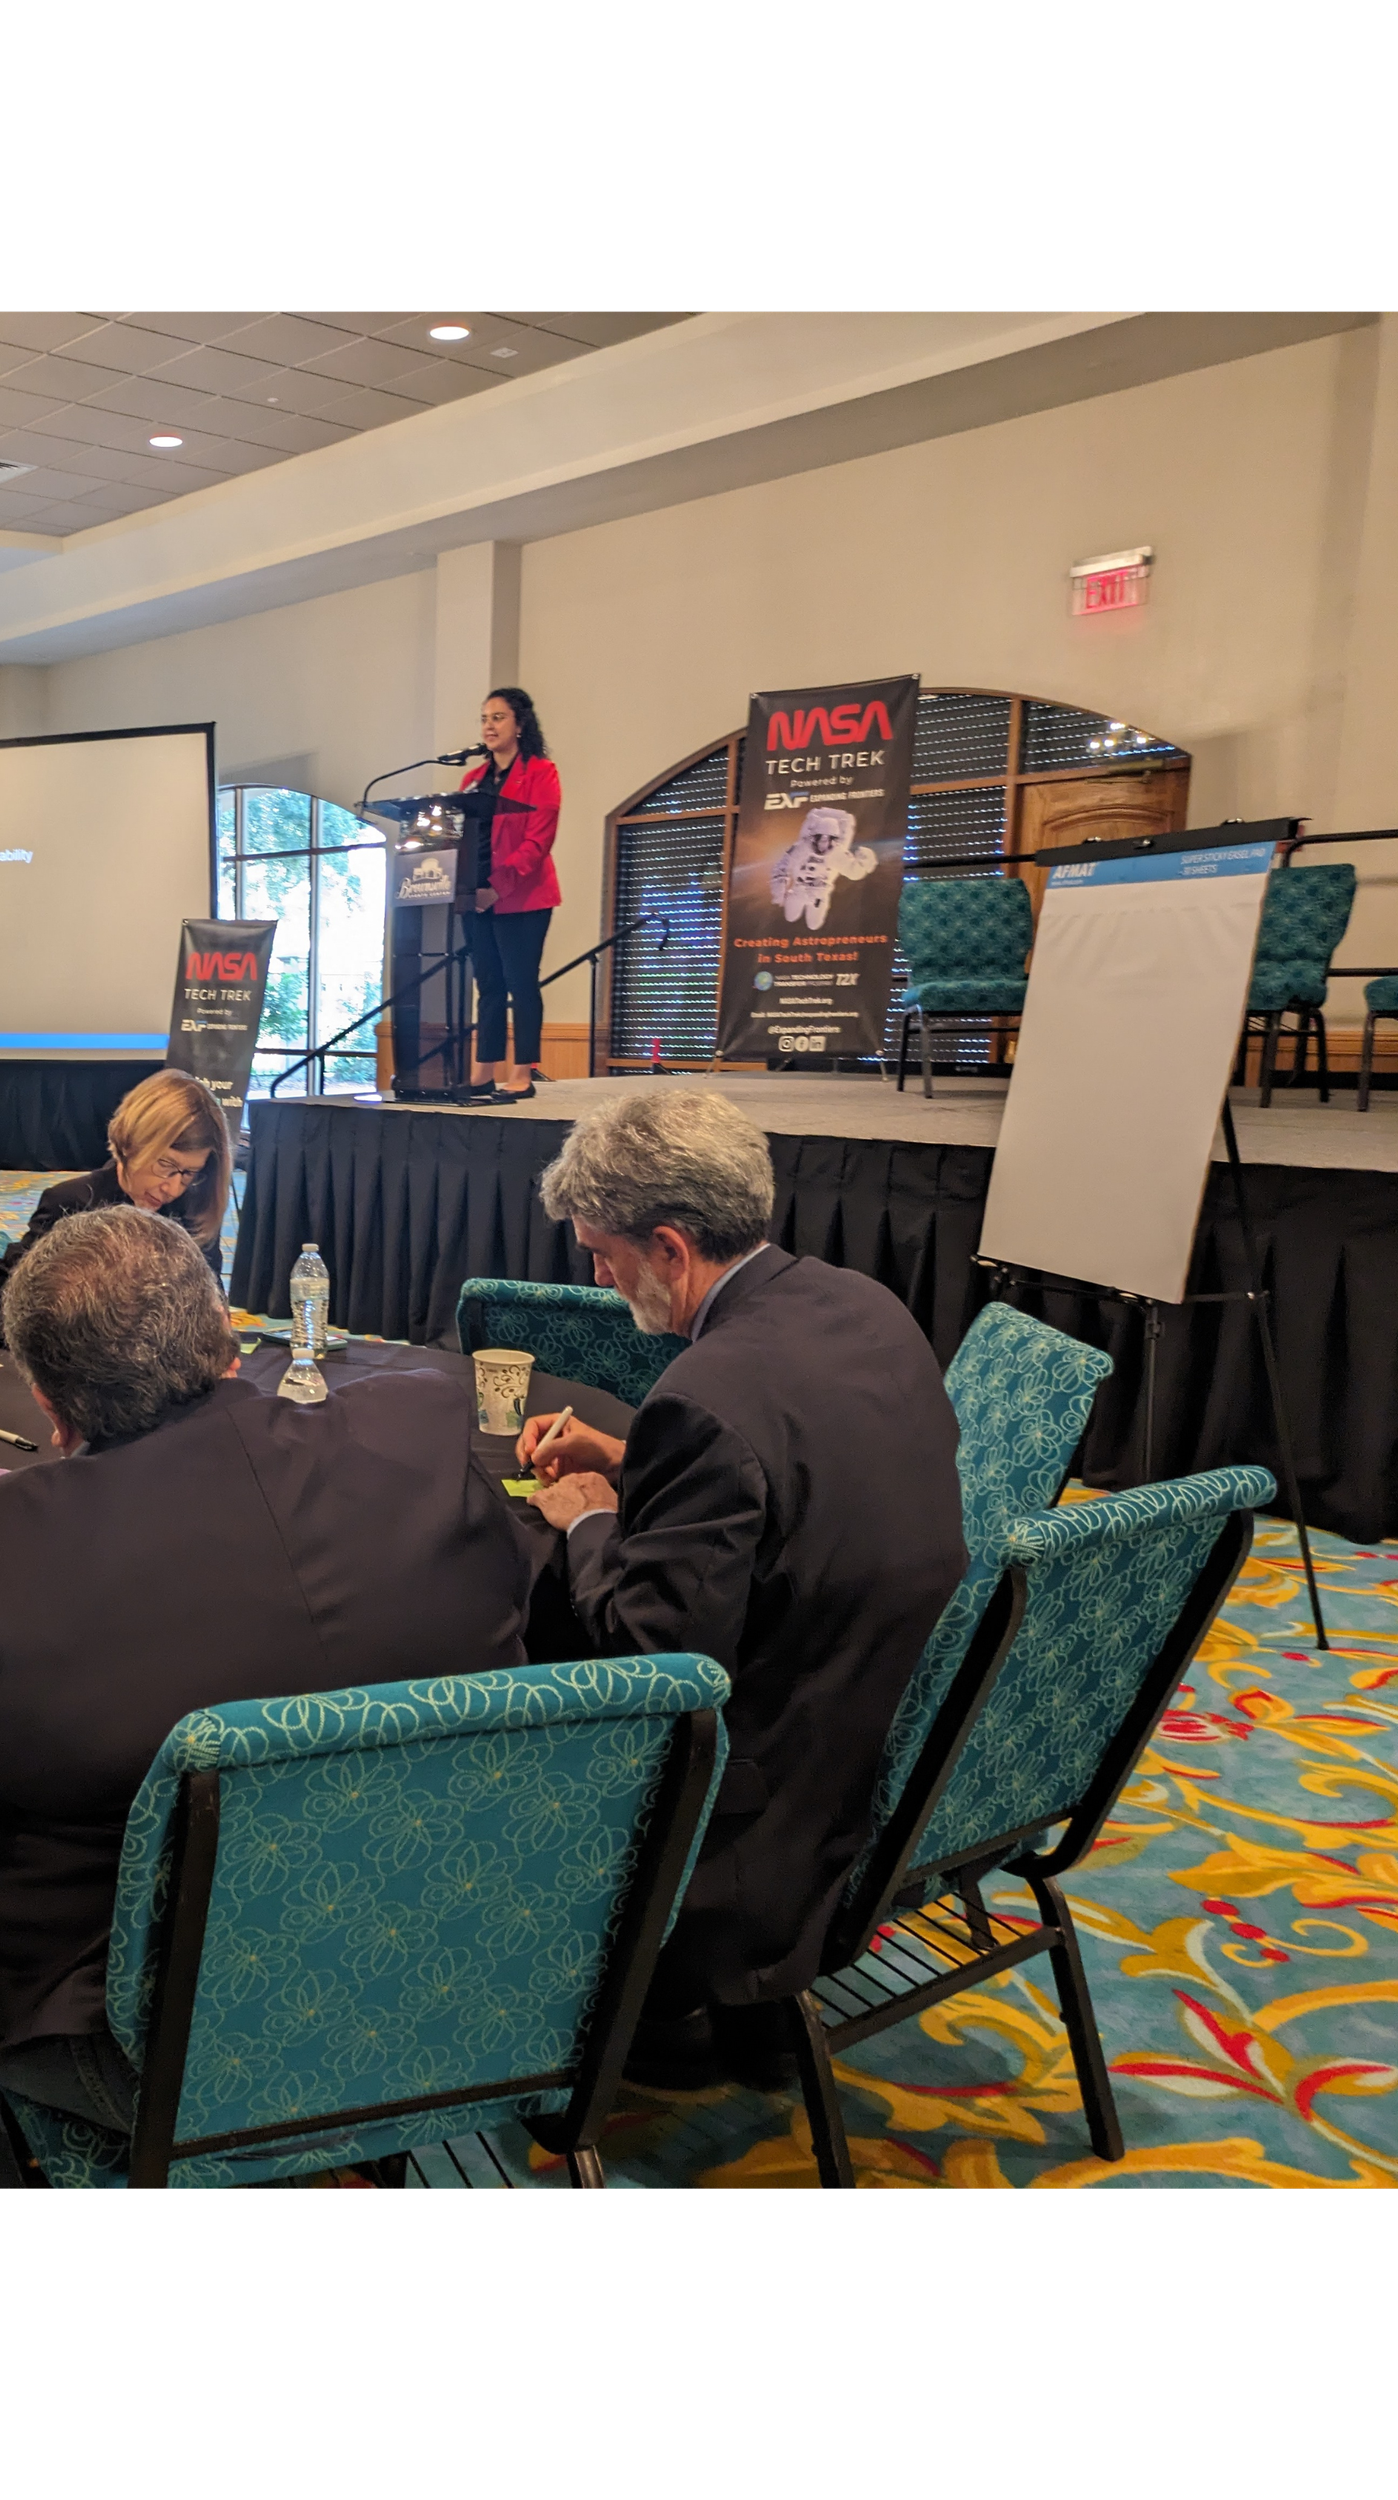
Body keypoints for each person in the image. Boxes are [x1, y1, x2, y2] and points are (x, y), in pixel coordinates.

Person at [0, 1205, 534, 2189]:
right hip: (476, 1986)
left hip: (184, 2050)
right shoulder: (426, 1441)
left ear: (48, 1405)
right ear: (227, 1342)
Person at [511, 1090, 965, 2085]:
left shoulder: (706, 1397)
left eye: (602, 1255)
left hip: (752, 1823)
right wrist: (632, 1458)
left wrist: (588, 1517)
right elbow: (798, 1494)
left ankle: (637, 1991)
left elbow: (652, 1660)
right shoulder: (865, 1305)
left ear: (669, 1249)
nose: (597, 1275)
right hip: (875, 1743)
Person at [0, 1067, 228, 1347]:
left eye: (189, 1173)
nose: (174, 1188)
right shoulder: (73, 1204)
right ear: (132, 1142)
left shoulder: (193, 1211)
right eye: (166, 1165)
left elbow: (210, 1312)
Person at [458, 687, 562, 1099]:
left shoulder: (541, 773)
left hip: (523, 898)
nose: (489, 725)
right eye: (485, 718)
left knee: (521, 984)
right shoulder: (471, 781)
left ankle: (522, 1073)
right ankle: (483, 1072)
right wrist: (469, 888)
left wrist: (497, 888)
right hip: (475, 897)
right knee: (488, 986)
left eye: (498, 717)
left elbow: (538, 842)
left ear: (520, 724)